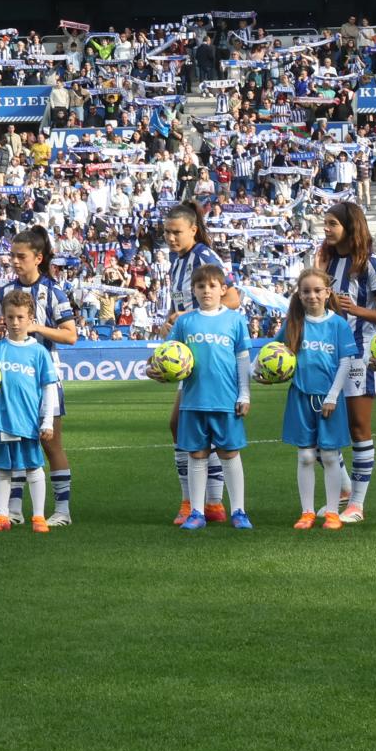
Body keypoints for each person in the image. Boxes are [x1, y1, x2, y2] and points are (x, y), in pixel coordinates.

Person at [316, 201, 376, 523]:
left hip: (360, 354)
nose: (327, 229)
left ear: (351, 227)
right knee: (322, 428)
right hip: (325, 354)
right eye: (325, 223)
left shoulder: (373, 264)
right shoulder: (326, 261)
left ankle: (357, 506)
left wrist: (357, 310)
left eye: (332, 223)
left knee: (358, 427)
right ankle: (345, 488)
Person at [161, 201, 239, 526]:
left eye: (176, 232)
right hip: (189, 354)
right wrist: (172, 322)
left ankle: (199, 503)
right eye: (166, 232)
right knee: (183, 426)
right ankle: (211, 504)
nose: (170, 237)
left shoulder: (204, 257)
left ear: (193, 229)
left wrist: (190, 317)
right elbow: (183, 309)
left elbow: (233, 299)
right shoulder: (176, 263)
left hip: (210, 354)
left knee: (186, 426)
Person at [0, 225, 76, 526]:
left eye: (21, 256)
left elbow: (71, 335)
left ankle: (62, 511)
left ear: (38, 258)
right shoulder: (4, 292)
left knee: (50, 443)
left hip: (44, 379)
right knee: (13, 440)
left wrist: (36, 327)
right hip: (12, 379)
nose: (15, 262)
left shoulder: (53, 292)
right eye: (12, 256)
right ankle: (14, 510)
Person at [275, 270, 357, 531]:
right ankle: (307, 512)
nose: (312, 295)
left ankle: (332, 512)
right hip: (300, 397)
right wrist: (260, 372)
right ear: (299, 294)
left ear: (327, 292)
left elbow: (345, 362)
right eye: (306, 291)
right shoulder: (292, 324)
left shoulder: (338, 325)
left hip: (330, 400)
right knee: (306, 457)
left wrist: (333, 395)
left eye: (317, 290)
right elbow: (273, 353)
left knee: (331, 456)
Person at [0, 290, 59, 534]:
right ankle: (2, 516)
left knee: (34, 468)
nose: (14, 323)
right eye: (10, 317)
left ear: (30, 318)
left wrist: (48, 422)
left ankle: (38, 517)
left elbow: (48, 388)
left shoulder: (39, 352)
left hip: (29, 422)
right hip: (2, 420)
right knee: (2, 470)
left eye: (20, 317)